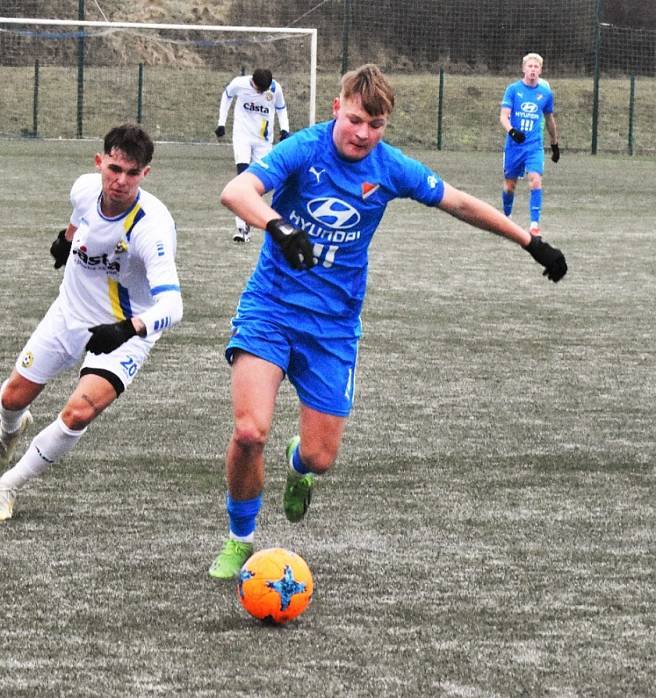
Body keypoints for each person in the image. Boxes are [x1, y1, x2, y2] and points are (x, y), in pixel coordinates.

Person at [208, 63, 568, 580]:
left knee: (320, 457)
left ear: (385, 125)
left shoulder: (391, 166)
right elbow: (237, 192)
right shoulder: (303, 149)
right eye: (355, 120)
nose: (362, 134)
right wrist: (280, 226)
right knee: (249, 431)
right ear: (337, 109)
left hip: (333, 327)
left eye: (375, 126)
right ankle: (240, 538)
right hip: (271, 309)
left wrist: (531, 242)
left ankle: (298, 467)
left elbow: (460, 203)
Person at [0, 124, 183, 522]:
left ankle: (8, 487)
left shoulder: (151, 228)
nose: (120, 181)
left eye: (131, 173)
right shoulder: (84, 188)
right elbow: (77, 219)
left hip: (125, 330)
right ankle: (10, 430)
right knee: (11, 398)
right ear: (99, 163)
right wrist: (65, 239)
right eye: (113, 169)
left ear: (146, 174)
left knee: (79, 412)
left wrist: (128, 329)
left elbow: (173, 305)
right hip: (69, 313)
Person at [215, 68, 290, 243]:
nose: (262, 93)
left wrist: (285, 128)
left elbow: (281, 108)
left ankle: (257, 219)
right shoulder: (239, 84)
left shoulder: (274, 88)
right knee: (242, 178)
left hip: (263, 141)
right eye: (259, 90)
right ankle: (242, 229)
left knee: (260, 185)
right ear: (253, 83)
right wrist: (221, 122)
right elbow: (226, 96)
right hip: (242, 137)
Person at [499, 52, 560, 237]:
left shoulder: (546, 94)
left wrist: (555, 144)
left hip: (534, 146)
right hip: (514, 146)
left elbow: (549, 119)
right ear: (524, 68)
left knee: (535, 180)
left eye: (536, 67)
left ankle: (534, 225)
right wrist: (512, 131)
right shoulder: (513, 89)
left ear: (540, 70)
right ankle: (506, 218)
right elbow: (503, 116)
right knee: (510, 186)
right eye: (530, 66)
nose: (533, 70)